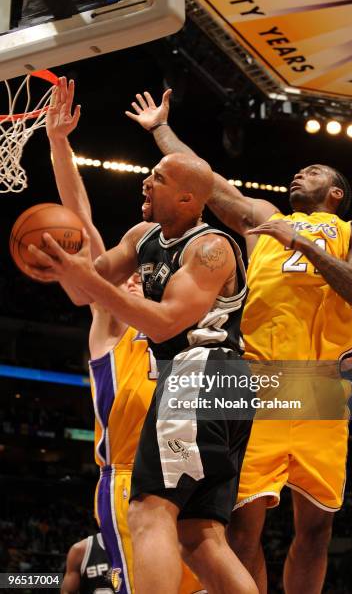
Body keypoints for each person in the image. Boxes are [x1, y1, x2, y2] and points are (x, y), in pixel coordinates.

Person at [123, 89, 352, 594]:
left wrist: (303, 243)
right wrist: (159, 130)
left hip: (321, 390)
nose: (299, 174)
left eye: (314, 172)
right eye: (298, 171)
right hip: (257, 383)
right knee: (241, 526)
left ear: (336, 194)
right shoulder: (259, 218)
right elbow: (202, 177)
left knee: (317, 526)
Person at [27, 105, 258, 593]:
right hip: (206, 388)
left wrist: (86, 276)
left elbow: (165, 320)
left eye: (157, 176)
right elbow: (88, 269)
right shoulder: (141, 241)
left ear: (189, 197)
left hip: (203, 374)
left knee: (149, 512)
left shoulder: (210, 247)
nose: (145, 181)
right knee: (201, 537)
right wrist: (67, 265)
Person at [45, 78, 204, 594]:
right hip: (128, 478)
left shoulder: (178, 322)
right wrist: (59, 143)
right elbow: (84, 224)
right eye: (128, 272)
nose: (135, 274)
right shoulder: (111, 324)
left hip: (184, 473)